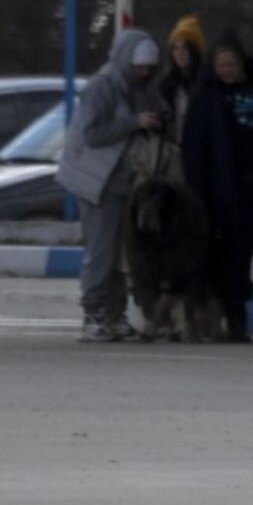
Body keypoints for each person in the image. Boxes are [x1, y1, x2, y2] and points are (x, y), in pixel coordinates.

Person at [56, 28, 167, 342]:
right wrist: (133, 123)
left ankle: (115, 315)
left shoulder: (142, 89)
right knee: (101, 252)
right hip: (97, 183)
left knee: (121, 255)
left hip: (125, 183)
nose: (143, 73)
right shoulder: (102, 87)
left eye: (149, 68)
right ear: (124, 61)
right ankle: (93, 314)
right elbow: (91, 134)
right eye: (138, 67)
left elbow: (159, 113)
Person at [183, 30, 253, 340]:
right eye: (221, 65)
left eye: (231, 64)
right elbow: (195, 149)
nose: (226, 71)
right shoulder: (206, 96)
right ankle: (236, 321)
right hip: (231, 191)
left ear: (241, 62)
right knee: (234, 259)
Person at [159, 15, 205, 141]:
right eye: (175, 48)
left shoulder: (207, 83)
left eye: (185, 47)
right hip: (174, 148)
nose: (180, 53)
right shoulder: (167, 86)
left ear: (194, 50)